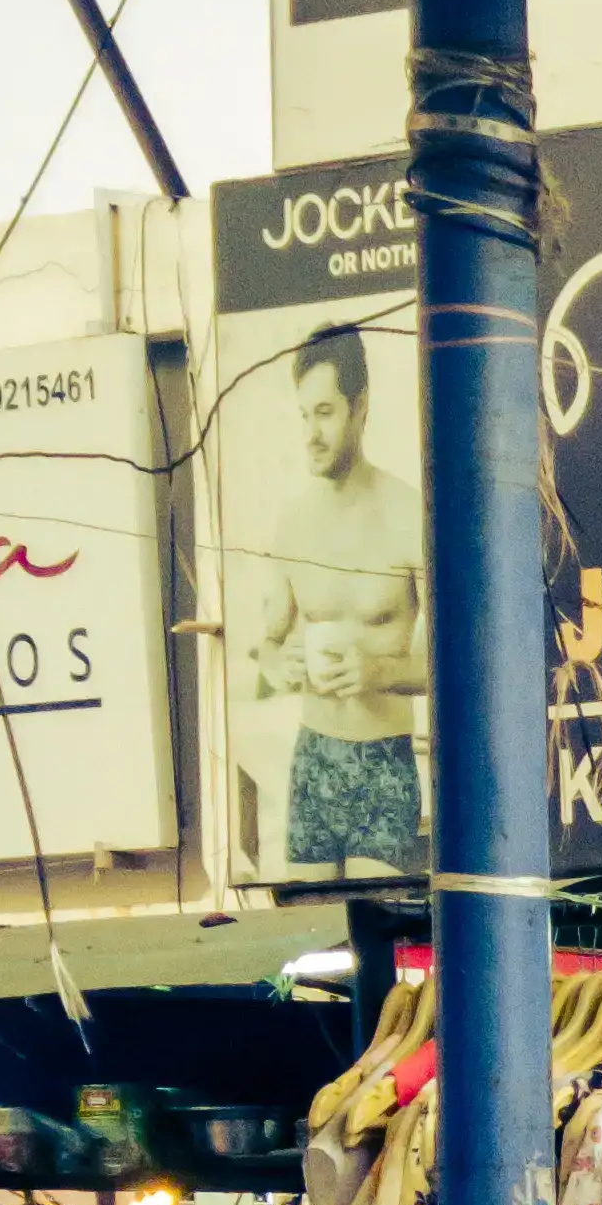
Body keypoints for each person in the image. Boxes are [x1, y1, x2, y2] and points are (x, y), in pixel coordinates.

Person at [234, 327, 427, 881]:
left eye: (324, 412)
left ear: (360, 408)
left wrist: (378, 670)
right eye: (303, 416)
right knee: (312, 937)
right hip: (313, 756)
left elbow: (452, 666)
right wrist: (278, 664)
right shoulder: (293, 523)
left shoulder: (407, 515)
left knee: (373, 934)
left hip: (383, 759)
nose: (311, 434)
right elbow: (267, 643)